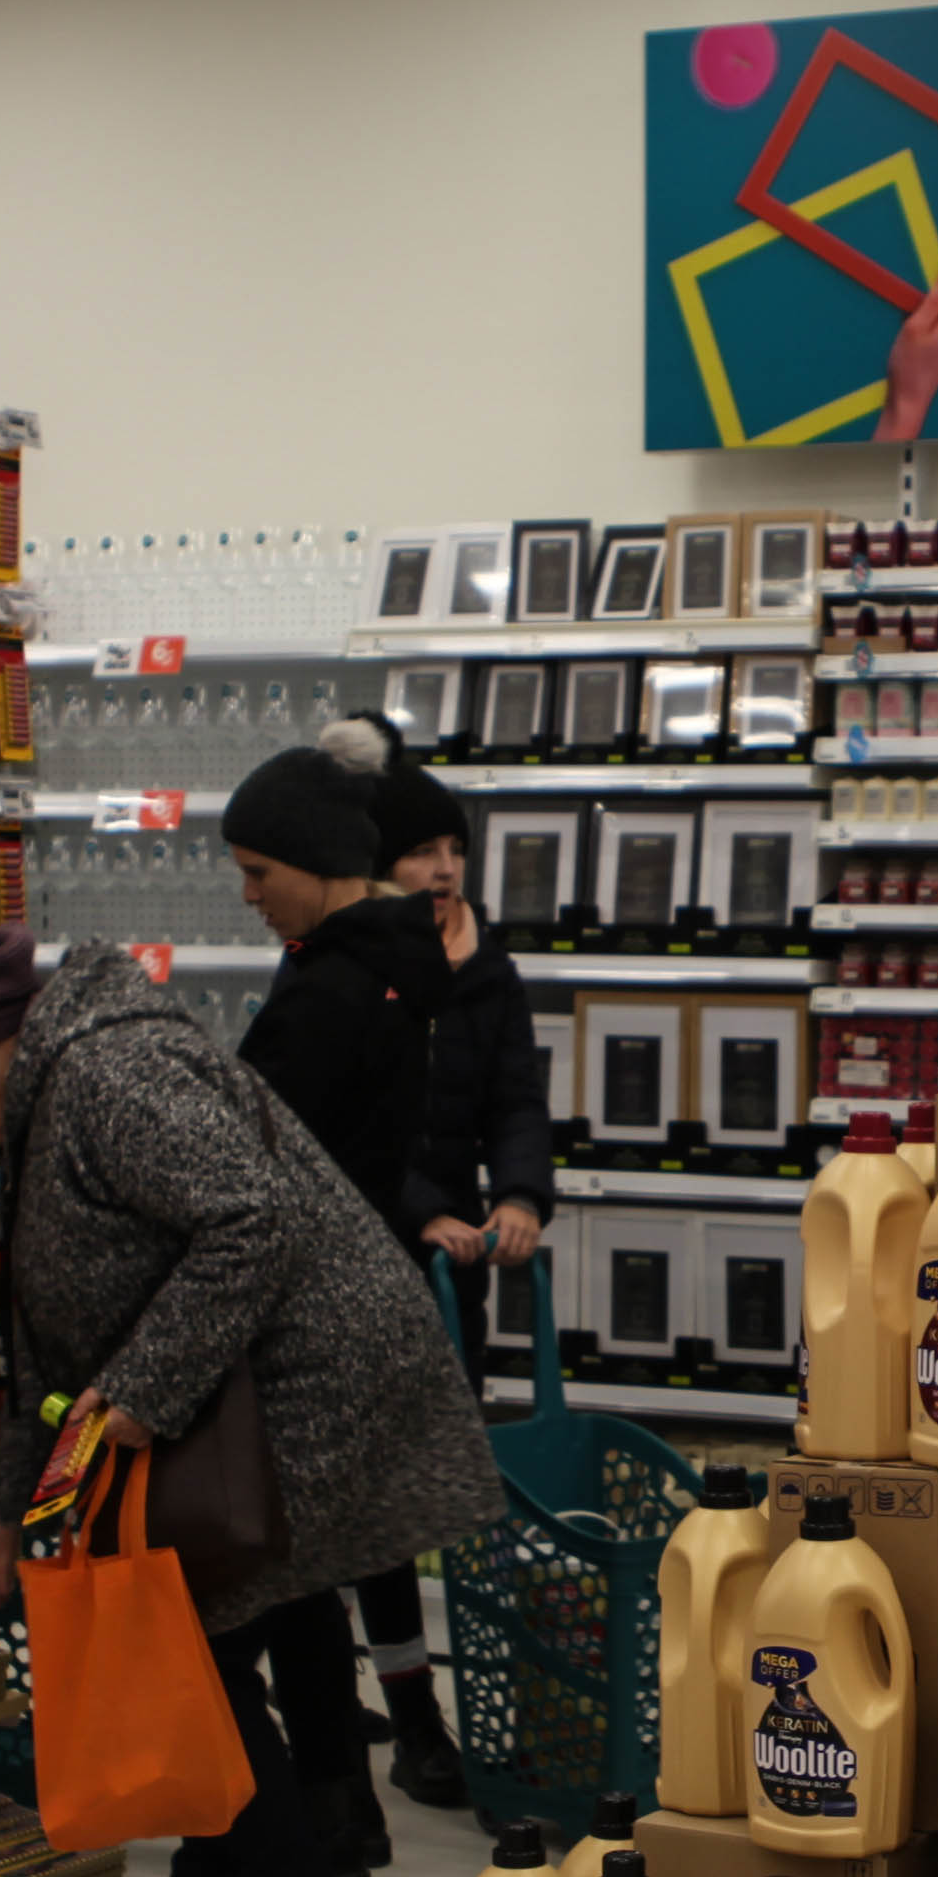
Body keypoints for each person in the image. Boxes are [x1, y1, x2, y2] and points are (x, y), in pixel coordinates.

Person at [0, 922, 500, 1877]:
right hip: (236, 1395)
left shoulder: (110, 1071)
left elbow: (249, 1220)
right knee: (193, 1650)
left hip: (309, 1385)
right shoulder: (50, 1096)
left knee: (185, 1648)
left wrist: (143, 1391)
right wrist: (14, 1499)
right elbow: (49, 1337)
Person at [203, 731, 461, 1877]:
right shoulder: (383, 962)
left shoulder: (333, 991)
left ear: (314, 862)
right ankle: (336, 1823)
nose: (249, 896)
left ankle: (297, 1837)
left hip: (302, 1311)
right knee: (302, 1581)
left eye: (260, 872)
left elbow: (256, 1158)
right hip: (355, 1299)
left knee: (262, 1592)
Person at [356, 727, 546, 1809]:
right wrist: (423, 1208)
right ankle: (413, 1715)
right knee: (382, 1498)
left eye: (453, 850)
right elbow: (344, 1124)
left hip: (456, 1260)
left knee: (451, 1483)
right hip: (368, 1250)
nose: (442, 869)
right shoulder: (355, 972)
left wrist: (519, 1194)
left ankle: (494, 1700)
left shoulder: (492, 970)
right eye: (420, 852)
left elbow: (516, 1095)